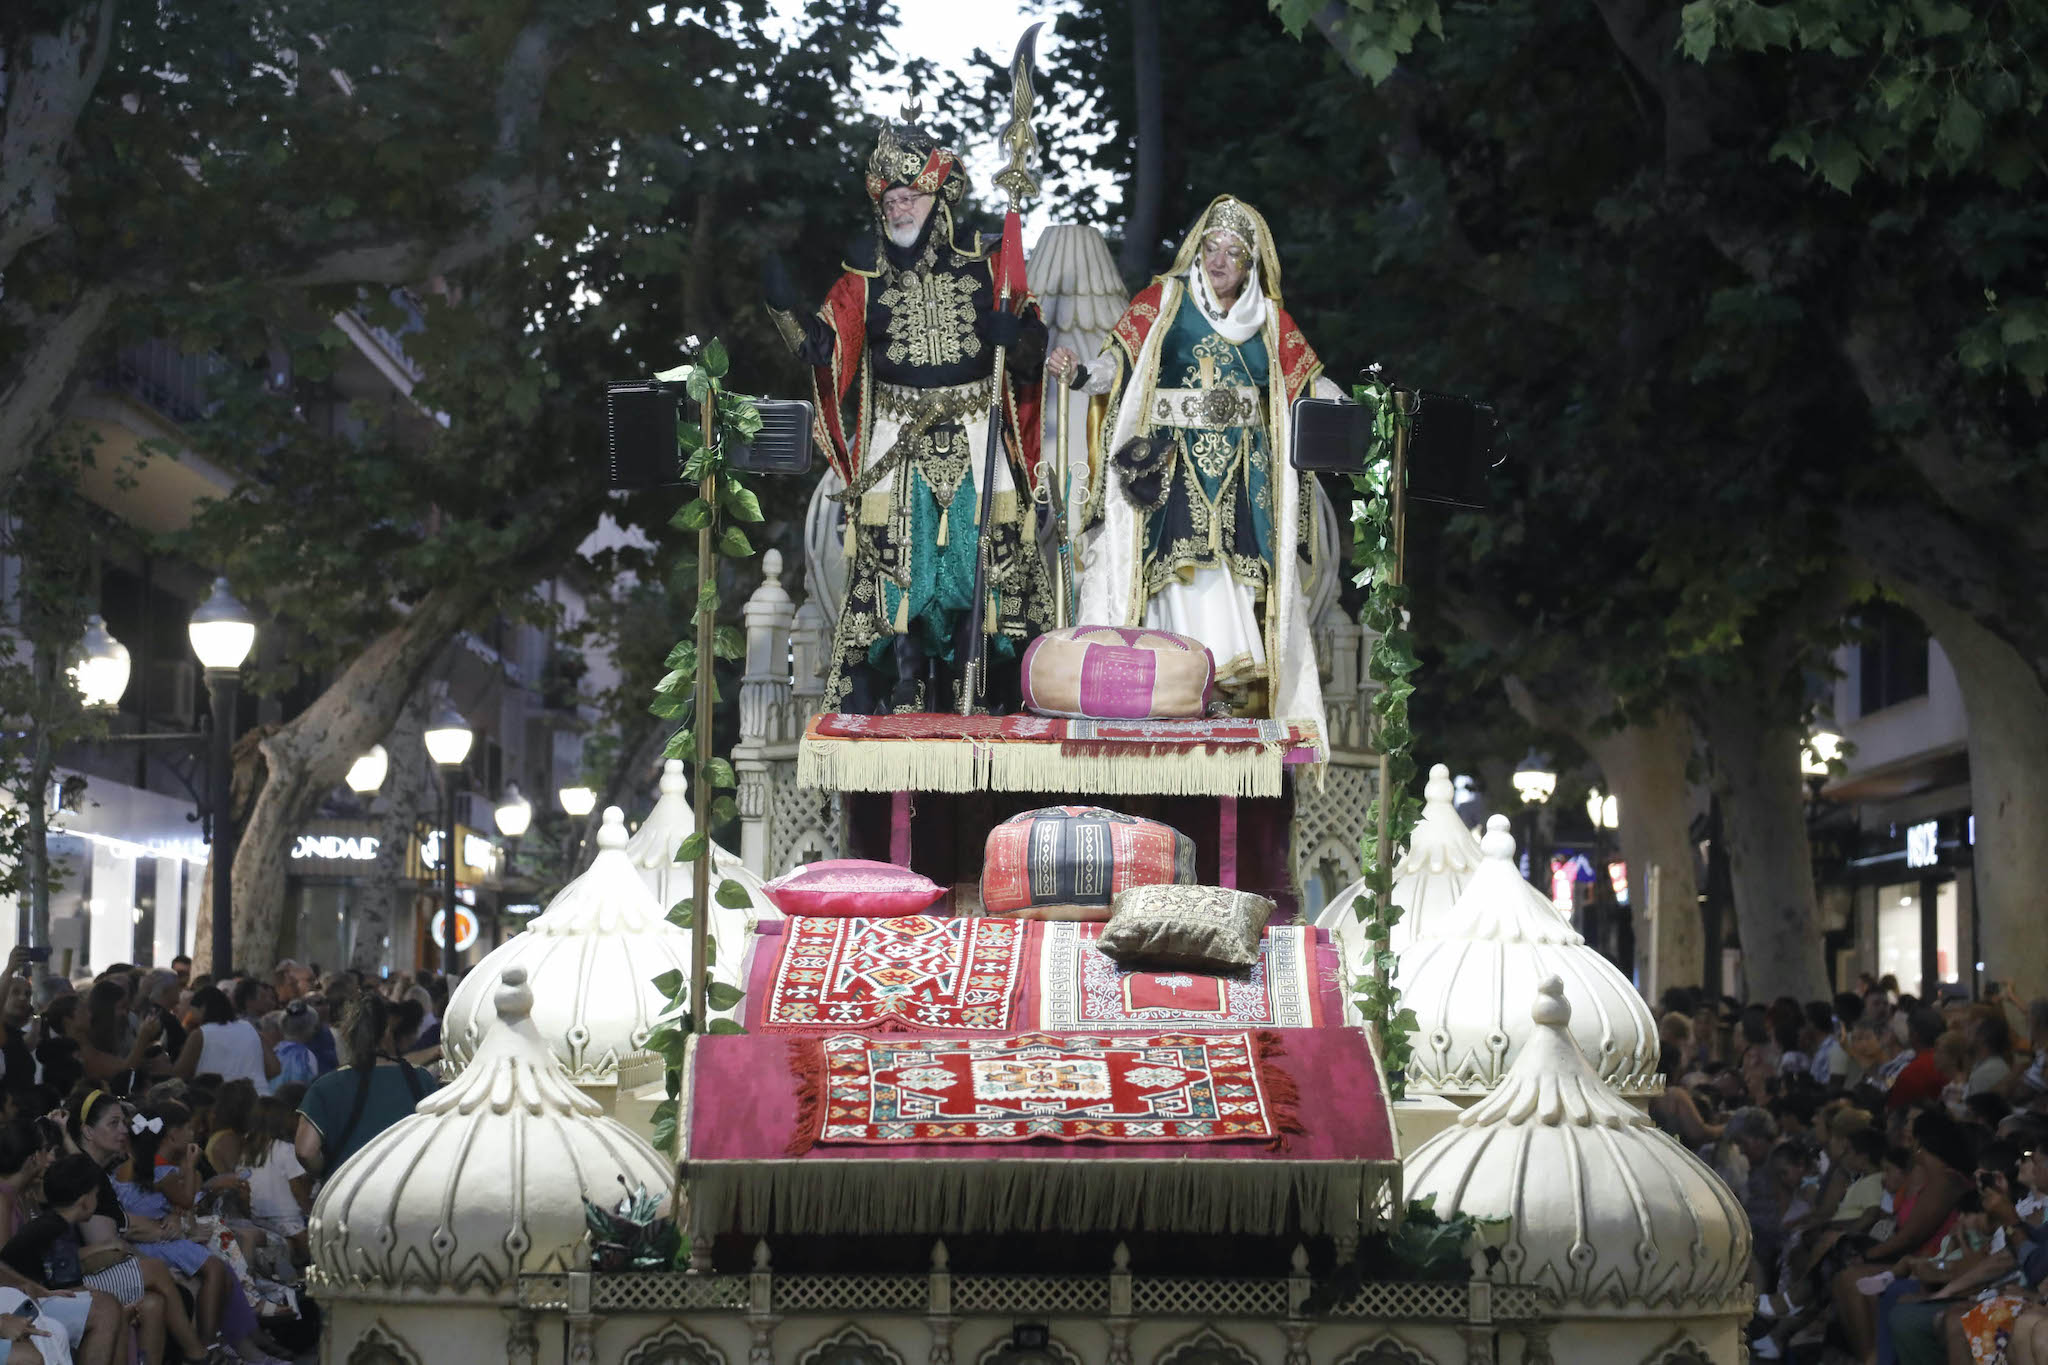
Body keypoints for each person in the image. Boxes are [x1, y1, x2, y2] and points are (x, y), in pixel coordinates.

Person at [764, 113, 1057, 714]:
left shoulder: (986, 262)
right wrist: (784, 309)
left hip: (977, 436)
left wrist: (1019, 338)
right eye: (891, 199)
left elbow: (1030, 353)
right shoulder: (861, 280)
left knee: (985, 570)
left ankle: (990, 695)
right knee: (900, 569)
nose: (899, 208)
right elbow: (823, 351)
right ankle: (903, 692)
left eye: (910, 196)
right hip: (897, 440)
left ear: (937, 197)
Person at [1056, 195, 1335, 731]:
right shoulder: (1164, 299)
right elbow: (1118, 364)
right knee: (1169, 572)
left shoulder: (1270, 321)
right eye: (1211, 247)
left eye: (1233, 252)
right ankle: (1171, 681)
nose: (1219, 260)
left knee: (1234, 572)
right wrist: (1079, 374)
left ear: (1251, 264)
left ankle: (1234, 685)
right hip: (1173, 465)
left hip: (1243, 472)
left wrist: (1355, 412)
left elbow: (1307, 382)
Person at [295, 994, 440, 1177]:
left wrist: (327, 1172)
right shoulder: (421, 1079)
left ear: (346, 1034)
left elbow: (305, 1151)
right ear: (387, 1030)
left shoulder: (325, 1086)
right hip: (407, 1189)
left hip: (347, 1191)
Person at [173, 984, 278, 1096]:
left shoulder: (200, 1035)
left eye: (191, 1011)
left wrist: (186, 1027)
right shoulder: (251, 1029)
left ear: (202, 1008)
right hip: (258, 1098)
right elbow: (274, 1069)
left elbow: (179, 1074)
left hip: (220, 1102)